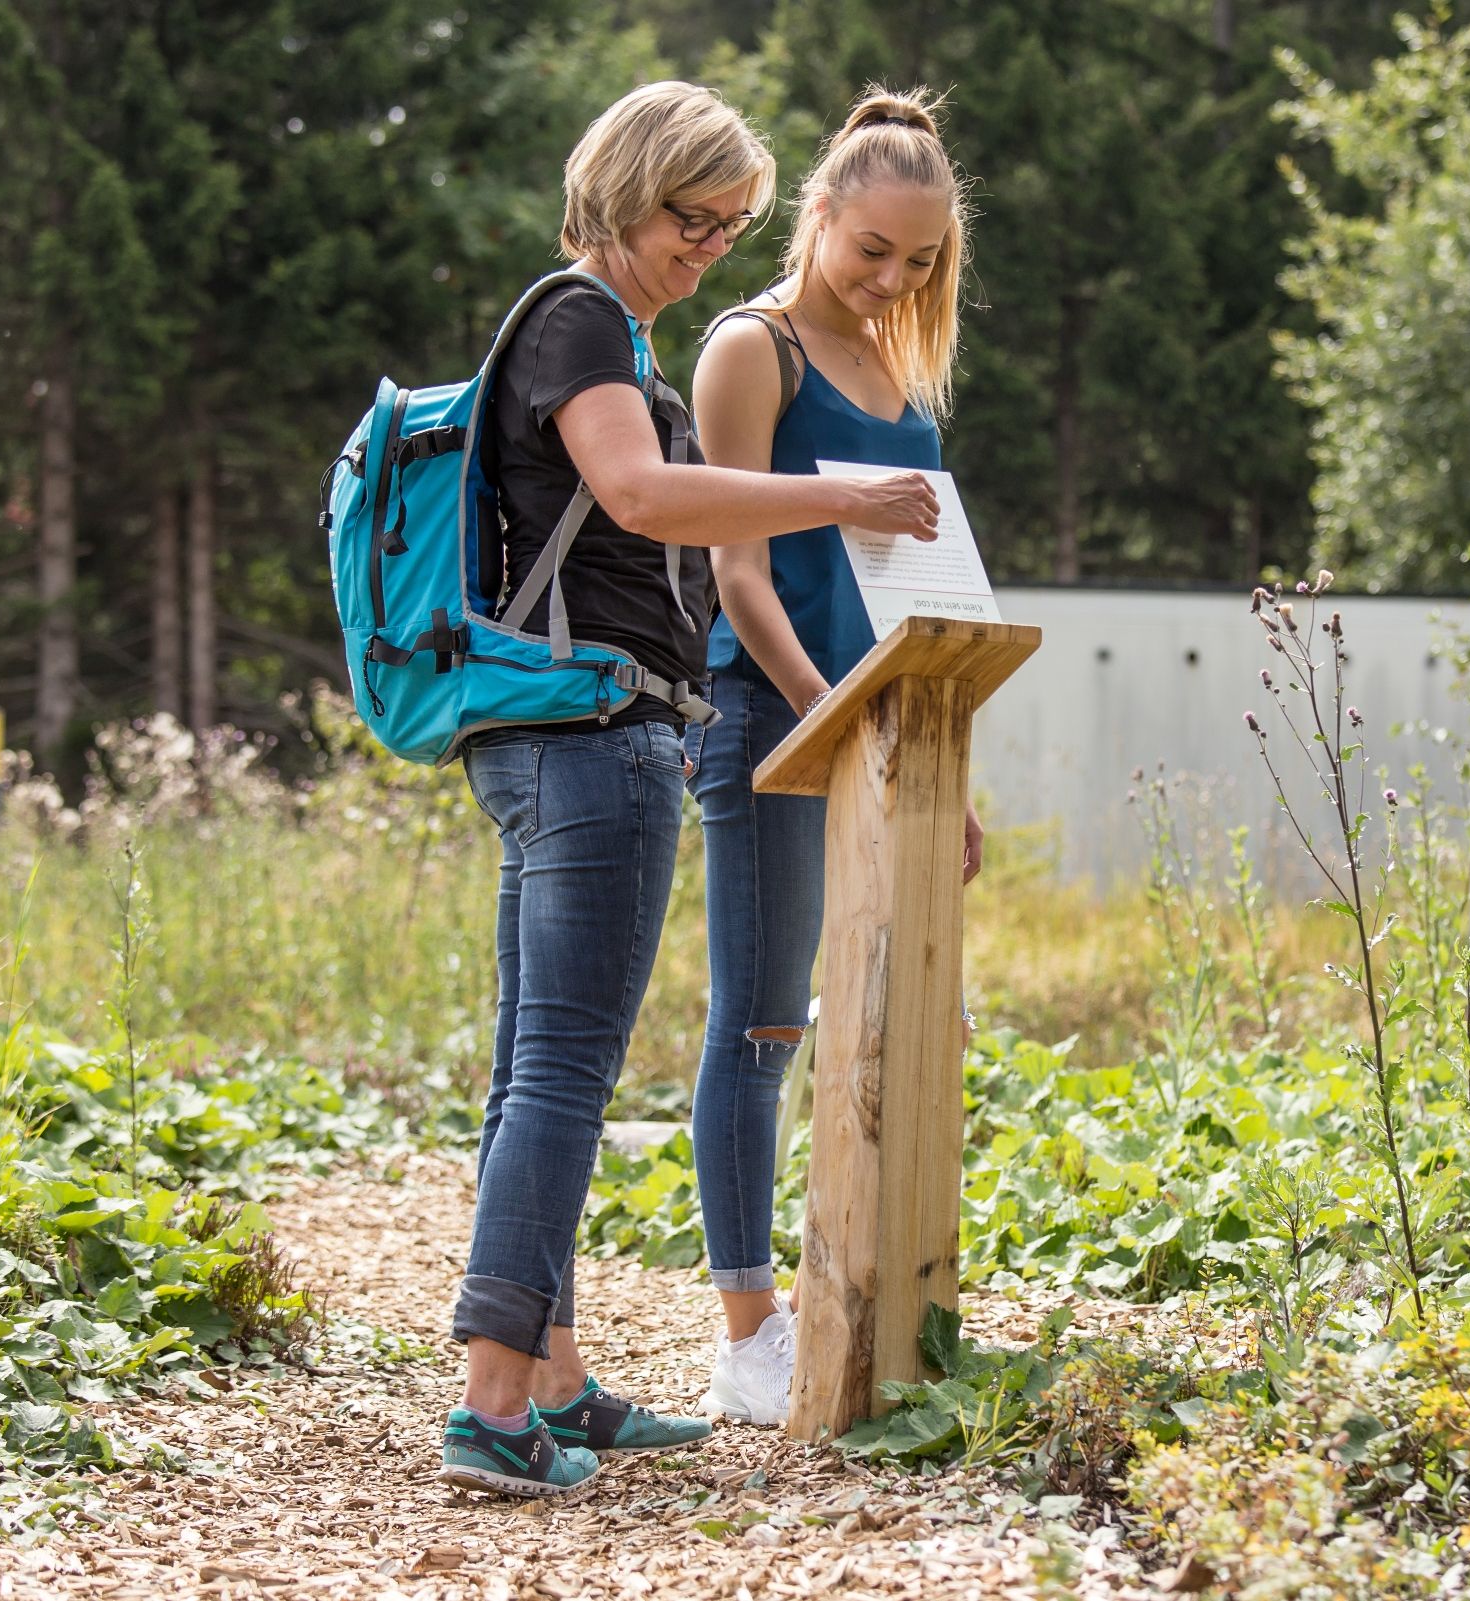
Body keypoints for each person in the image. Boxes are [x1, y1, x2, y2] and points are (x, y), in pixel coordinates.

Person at [440, 81, 941, 1500]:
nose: (706, 246)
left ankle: (551, 1377)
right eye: (690, 216)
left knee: (533, 1055)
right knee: (563, 1067)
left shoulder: (601, 329)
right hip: (593, 733)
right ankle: (490, 1405)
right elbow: (651, 496)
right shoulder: (581, 319)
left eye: (728, 227)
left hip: (559, 735)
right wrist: (833, 498)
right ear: (625, 186)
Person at [687, 86, 981, 1426]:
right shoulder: (755, 353)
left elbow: (925, 590)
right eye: (871, 250)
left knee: (886, 1019)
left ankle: (861, 1283)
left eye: (918, 263)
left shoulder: (897, 370)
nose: (890, 280)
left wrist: (942, 769)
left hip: (889, 737)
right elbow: (742, 576)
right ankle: (748, 1327)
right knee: (761, 1020)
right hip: (771, 723)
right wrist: (833, 722)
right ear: (815, 214)